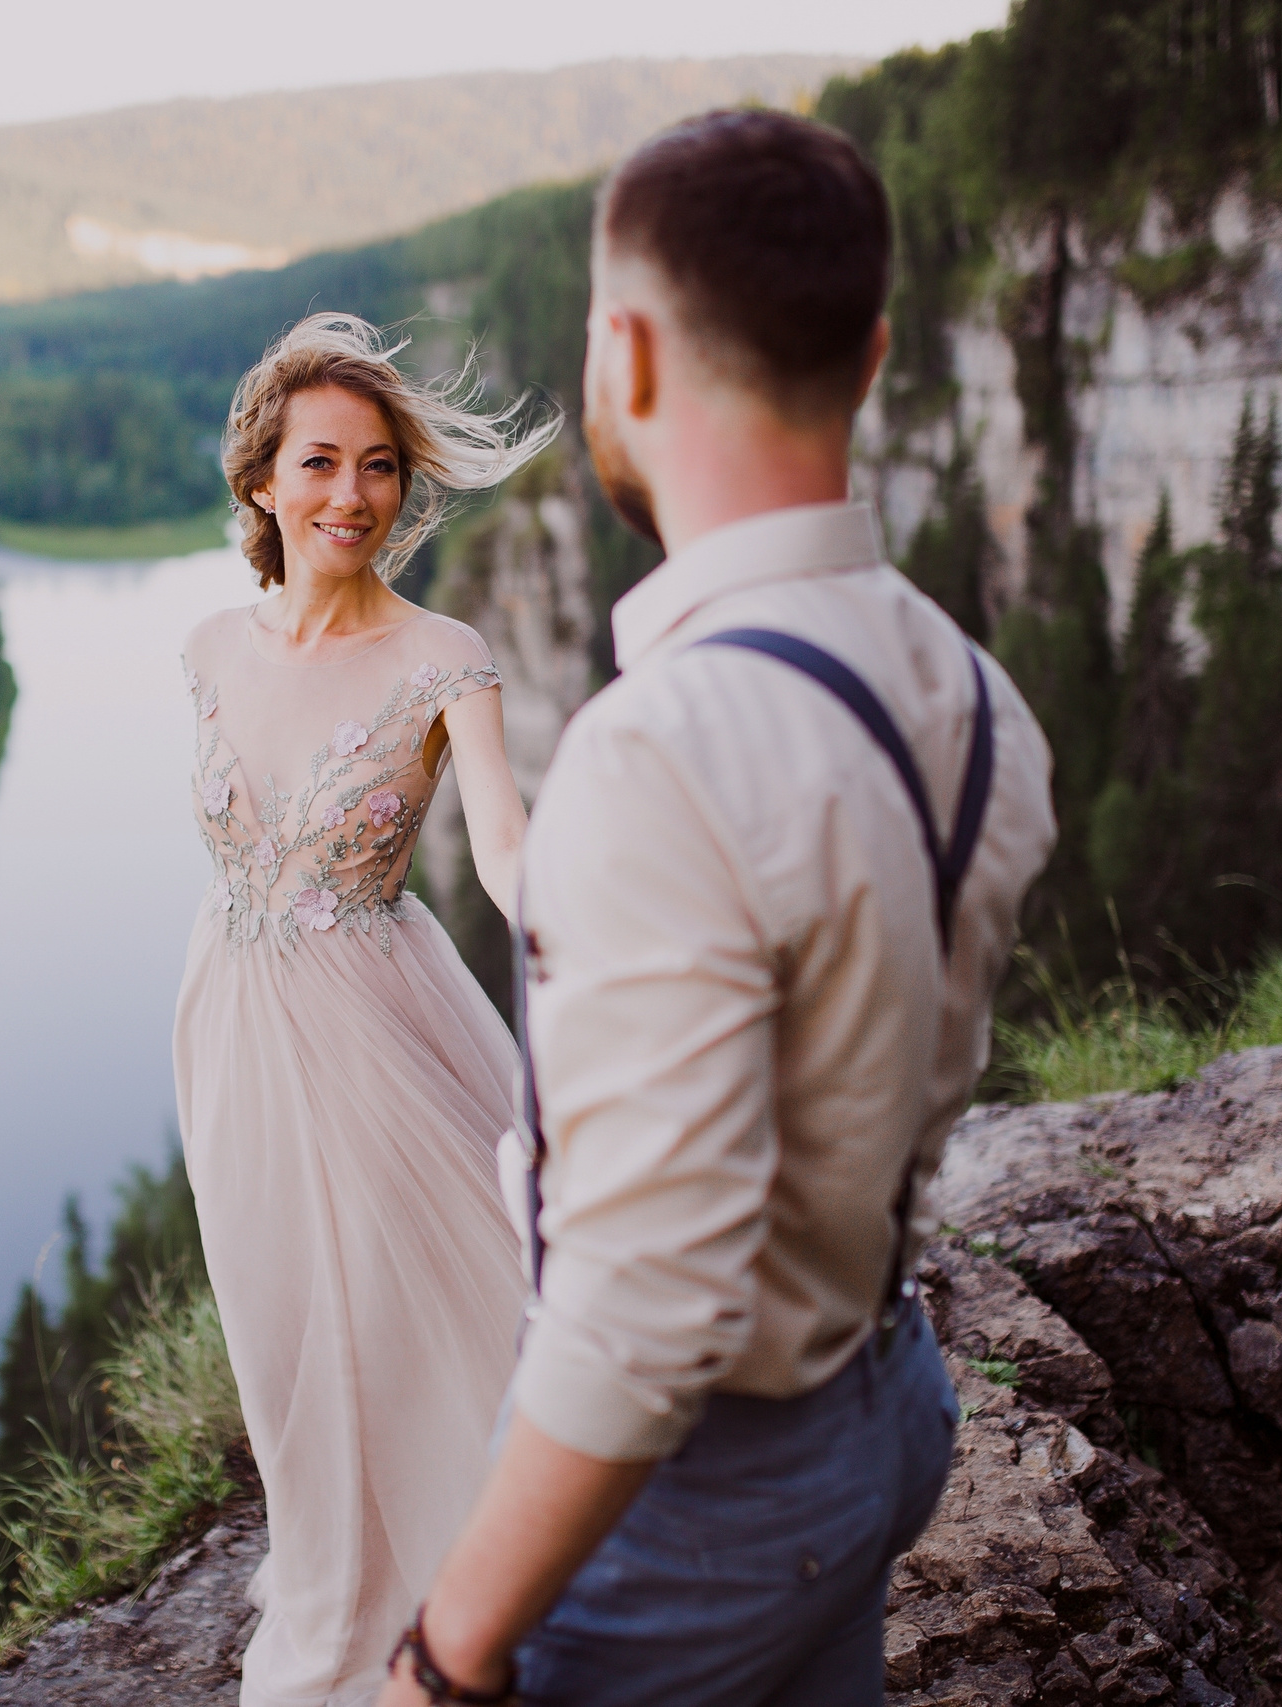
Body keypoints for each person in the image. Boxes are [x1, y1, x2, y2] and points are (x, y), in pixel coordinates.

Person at [378, 111, 1057, 1707]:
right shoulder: (979, 695)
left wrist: (446, 1656)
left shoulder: (659, 754)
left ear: (622, 349)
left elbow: (644, 1305)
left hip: (695, 1504)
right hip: (884, 1404)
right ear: (876, 353)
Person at [175, 313, 561, 1706]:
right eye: (320, 463)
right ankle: (338, 1574)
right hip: (229, 1031)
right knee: (285, 1332)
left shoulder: (443, 657)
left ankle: (477, 1600)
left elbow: (508, 849)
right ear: (262, 483)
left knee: (437, 1315)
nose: (352, 495)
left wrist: (579, 924)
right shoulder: (210, 647)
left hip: (380, 1034)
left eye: (381, 466)